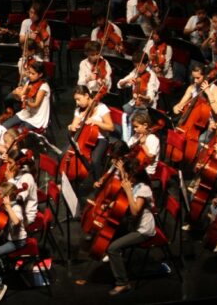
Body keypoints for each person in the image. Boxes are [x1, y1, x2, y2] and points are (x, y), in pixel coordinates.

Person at [105, 159, 155, 296]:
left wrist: (128, 191)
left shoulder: (143, 189)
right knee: (110, 232)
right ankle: (118, 261)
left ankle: (123, 283)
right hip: (133, 225)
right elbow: (125, 179)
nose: (125, 177)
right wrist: (122, 170)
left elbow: (135, 212)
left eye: (127, 174)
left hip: (143, 231)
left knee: (112, 248)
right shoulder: (136, 183)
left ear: (134, 175)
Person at [0, 180, 37, 303]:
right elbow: (1, 219)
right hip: (8, 237)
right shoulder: (8, 204)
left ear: (7, 196)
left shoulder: (16, 207)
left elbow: (16, 221)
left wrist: (8, 206)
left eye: (0, 193)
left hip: (17, 242)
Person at [67, 85, 114, 178]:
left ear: (86, 95)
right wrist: (72, 127)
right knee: (64, 154)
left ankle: (97, 181)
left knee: (95, 161)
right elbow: (74, 124)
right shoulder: (79, 110)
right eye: (75, 100)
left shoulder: (101, 108)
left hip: (100, 139)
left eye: (78, 99)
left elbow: (111, 127)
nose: (77, 103)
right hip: (83, 138)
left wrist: (96, 122)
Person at [4, 62, 50, 131]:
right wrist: (16, 93)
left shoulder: (44, 87)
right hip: (27, 112)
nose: (30, 75)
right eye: (29, 73)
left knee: (19, 131)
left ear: (40, 74)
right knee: (4, 126)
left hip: (37, 117)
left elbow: (35, 105)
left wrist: (25, 101)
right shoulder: (29, 82)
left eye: (33, 74)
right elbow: (22, 95)